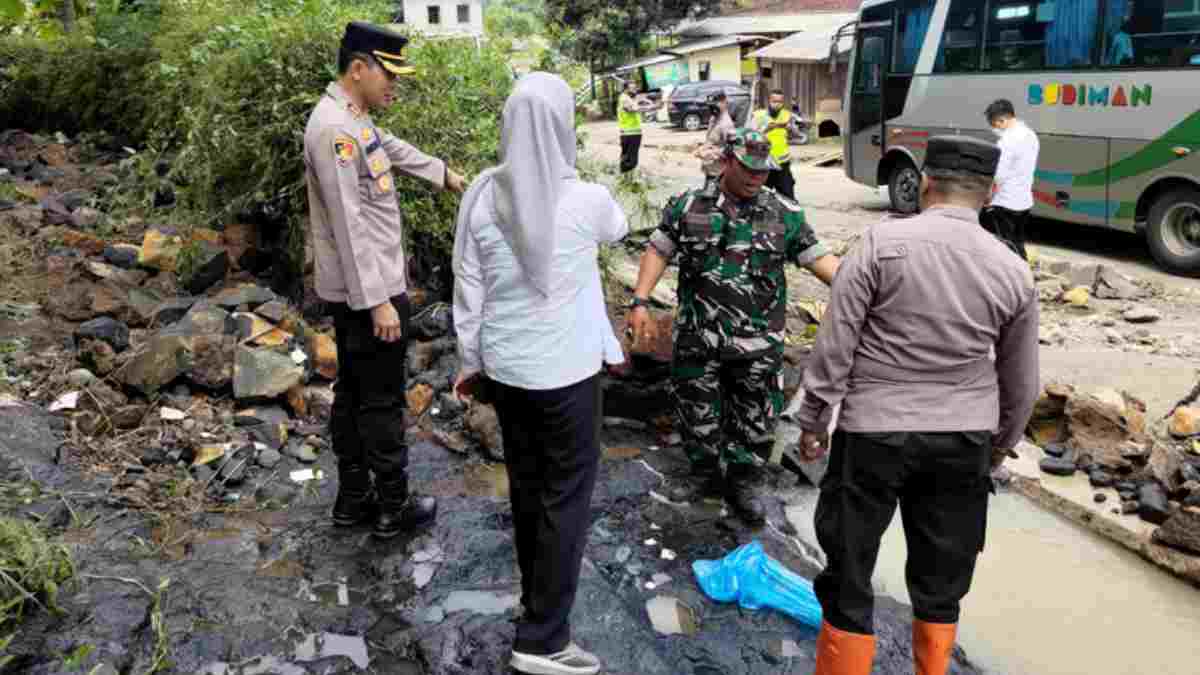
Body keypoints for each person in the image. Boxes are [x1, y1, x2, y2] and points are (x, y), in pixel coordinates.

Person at [796, 136, 1040, 675]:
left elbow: (834, 349)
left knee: (851, 572)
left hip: (872, 436)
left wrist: (814, 422)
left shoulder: (879, 246)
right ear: (992, 193)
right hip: (962, 440)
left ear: (926, 182)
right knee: (941, 582)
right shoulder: (1012, 270)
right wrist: (997, 448)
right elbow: (1022, 383)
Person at [452, 72, 628, 675]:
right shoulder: (587, 200)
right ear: (563, 129)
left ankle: (536, 602)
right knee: (566, 500)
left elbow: (468, 285)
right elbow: (620, 229)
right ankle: (544, 639)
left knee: (529, 489)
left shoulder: (480, 193)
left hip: (506, 369)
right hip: (568, 372)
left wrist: (469, 363)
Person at [626, 129, 840, 523]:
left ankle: (744, 483)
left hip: (758, 345)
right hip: (698, 337)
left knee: (755, 419)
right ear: (727, 161)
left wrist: (866, 293)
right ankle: (704, 476)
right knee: (696, 412)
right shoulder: (689, 206)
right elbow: (658, 249)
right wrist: (639, 300)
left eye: (763, 170)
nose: (757, 177)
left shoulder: (785, 213)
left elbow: (822, 263)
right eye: (748, 168)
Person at [304, 21, 466, 539]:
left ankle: (353, 501)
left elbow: (389, 148)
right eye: (387, 74)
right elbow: (350, 226)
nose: (394, 85)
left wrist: (442, 172)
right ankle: (394, 506)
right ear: (358, 69)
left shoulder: (355, 119)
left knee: (354, 393)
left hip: (363, 288)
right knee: (379, 398)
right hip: (366, 291)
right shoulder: (334, 131)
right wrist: (378, 303)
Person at [981, 98, 1039, 260]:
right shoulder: (1031, 134)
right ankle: (1023, 276)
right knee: (1017, 242)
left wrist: (987, 195)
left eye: (995, 124)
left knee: (1006, 247)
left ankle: (1015, 279)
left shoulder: (1007, 141)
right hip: (1025, 200)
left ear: (1002, 120)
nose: (994, 128)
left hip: (1006, 202)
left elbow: (998, 174)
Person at [750, 89, 796, 200]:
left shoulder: (787, 115)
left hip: (782, 162)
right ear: (769, 101)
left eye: (780, 102)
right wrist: (766, 129)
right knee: (761, 197)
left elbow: (792, 137)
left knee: (788, 196)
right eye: (774, 101)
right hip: (764, 162)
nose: (777, 104)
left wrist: (790, 130)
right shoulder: (758, 115)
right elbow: (751, 136)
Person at [693, 91, 736, 190]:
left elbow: (732, 149)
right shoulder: (714, 118)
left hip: (720, 173)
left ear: (724, 103)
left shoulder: (727, 124)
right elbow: (712, 141)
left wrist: (712, 153)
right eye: (710, 106)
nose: (712, 108)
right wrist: (701, 147)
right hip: (710, 169)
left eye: (715, 105)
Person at [618, 79, 645, 173]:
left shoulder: (628, 98)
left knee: (628, 159)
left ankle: (626, 180)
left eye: (635, 88)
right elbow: (630, 109)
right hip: (630, 134)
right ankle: (626, 180)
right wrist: (651, 107)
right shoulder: (624, 98)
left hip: (631, 133)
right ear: (626, 89)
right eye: (632, 88)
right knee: (631, 162)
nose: (635, 90)